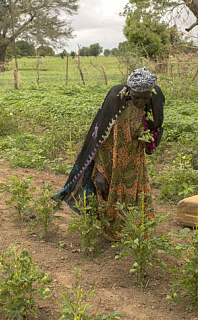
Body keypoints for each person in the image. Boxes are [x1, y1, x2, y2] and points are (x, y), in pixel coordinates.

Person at [53, 67, 165, 241]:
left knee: (135, 194)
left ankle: (134, 232)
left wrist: (147, 139)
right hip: (110, 160)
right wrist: (100, 171)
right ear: (129, 91)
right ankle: (114, 234)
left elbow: (155, 127)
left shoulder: (153, 101)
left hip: (135, 159)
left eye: (145, 97)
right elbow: (100, 141)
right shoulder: (115, 101)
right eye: (138, 96)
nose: (141, 101)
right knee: (108, 196)